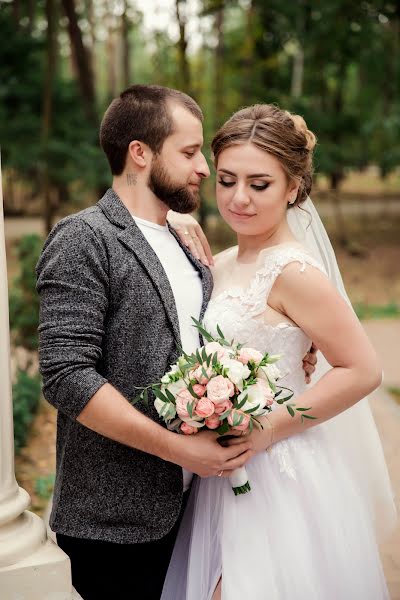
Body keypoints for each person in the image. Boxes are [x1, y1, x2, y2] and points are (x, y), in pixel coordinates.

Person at [161, 104, 396, 600]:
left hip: (278, 475)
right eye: (226, 180)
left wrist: (267, 430)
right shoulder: (219, 263)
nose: (238, 198)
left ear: (293, 188)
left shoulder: (294, 272)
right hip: (215, 476)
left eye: (259, 184)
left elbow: (362, 369)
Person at [36, 85, 261, 600]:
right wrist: (178, 449)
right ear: (140, 153)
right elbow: (68, 377)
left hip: (195, 510)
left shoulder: (186, 242)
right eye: (189, 152)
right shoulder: (83, 239)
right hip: (114, 524)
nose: (204, 168)